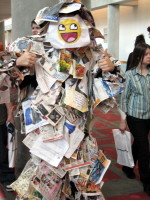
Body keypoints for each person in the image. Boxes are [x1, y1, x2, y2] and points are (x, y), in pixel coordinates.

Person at [120, 43, 150, 196]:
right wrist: (123, 120)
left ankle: (127, 167)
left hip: (148, 116)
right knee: (145, 148)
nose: (149, 57)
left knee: (139, 144)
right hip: (134, 116)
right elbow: (124, 99)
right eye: (147, 54)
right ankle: (147, 181)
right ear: (139, 56)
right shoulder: (130, 75)